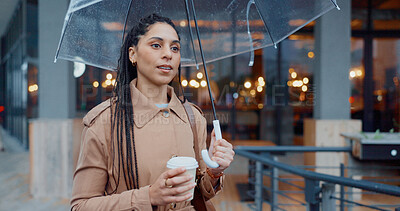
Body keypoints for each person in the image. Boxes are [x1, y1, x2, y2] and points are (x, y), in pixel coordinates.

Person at [71, 14, 235, 211]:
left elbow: (197, 193)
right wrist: (147, 197)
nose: (168, 54)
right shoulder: (104, 121)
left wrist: (214, 171)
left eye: (175, 48)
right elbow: (81, 206)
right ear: (133, 54)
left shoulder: (193, 117)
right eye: (156, 45)